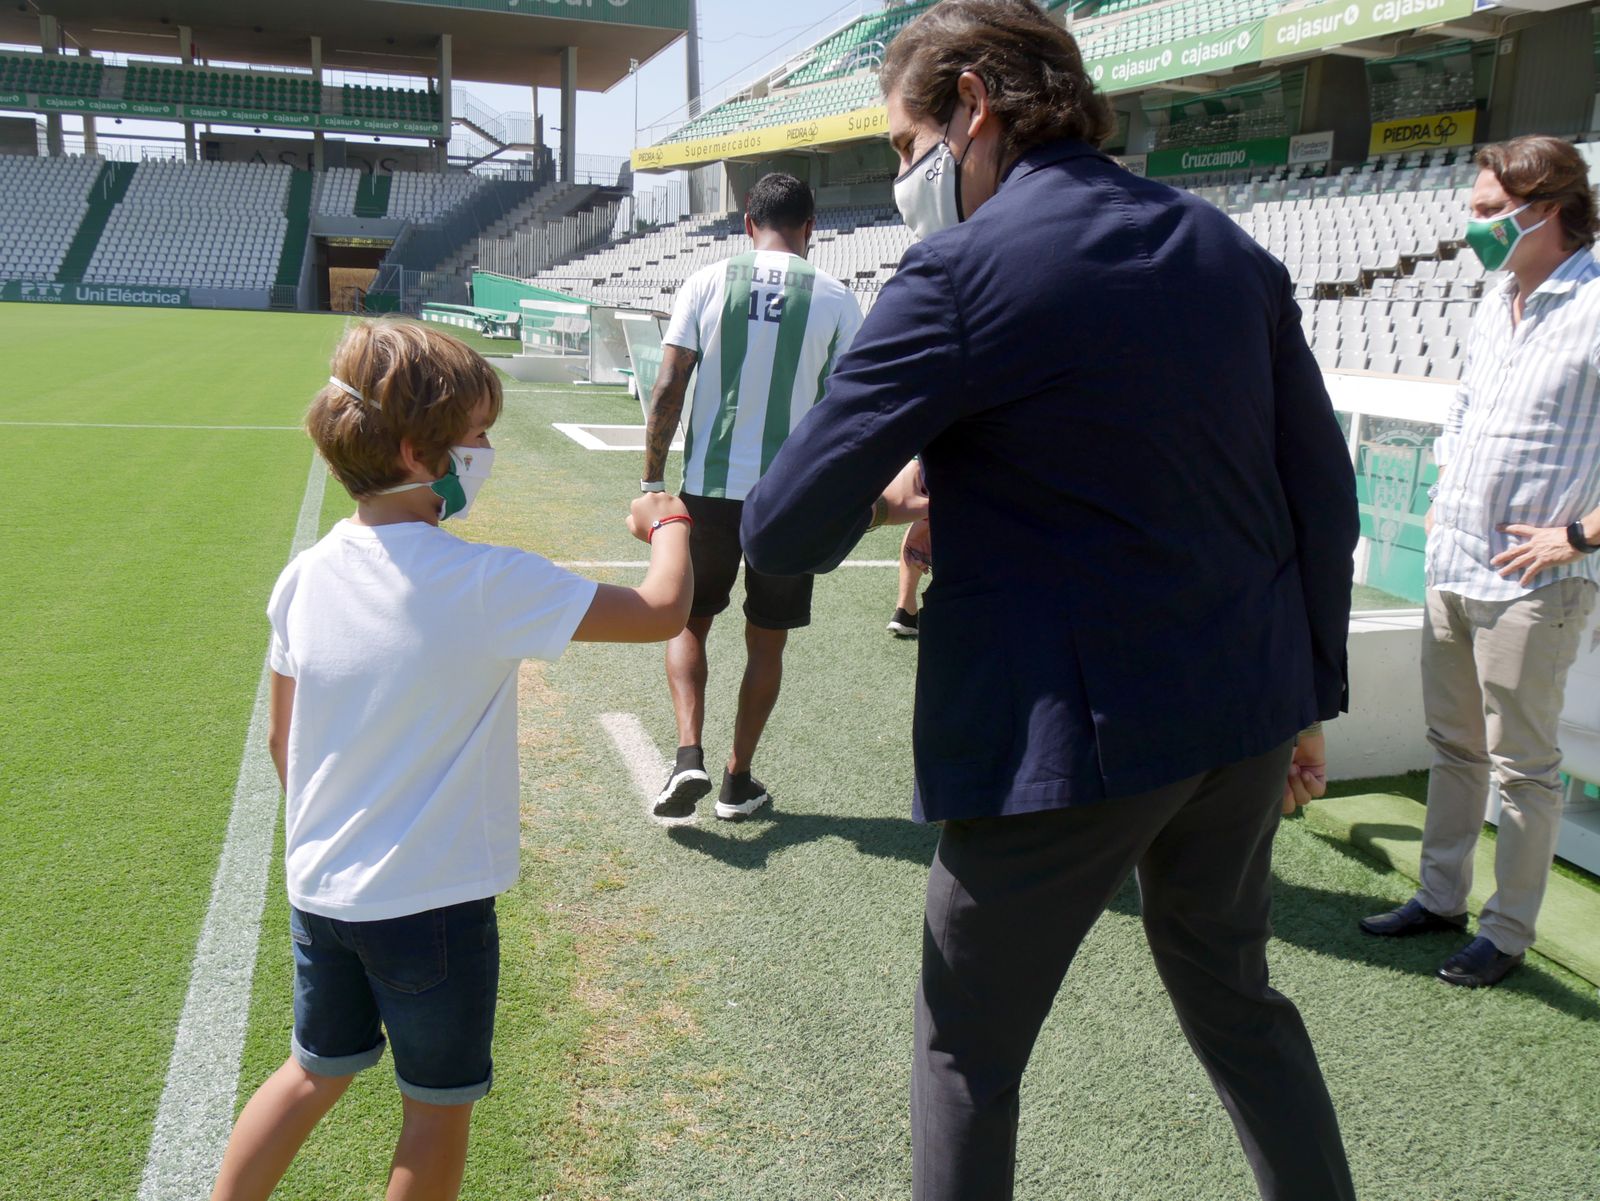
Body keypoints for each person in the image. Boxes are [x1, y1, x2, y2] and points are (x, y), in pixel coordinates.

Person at [740, 3, 1360, 1198]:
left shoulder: (961, 268)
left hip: (1064, 739)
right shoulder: (1227, 249)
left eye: (906, 145)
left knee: (965, 1046)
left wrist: (887, 498)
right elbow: (1319, 500)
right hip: (1236, 715)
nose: (907, 177)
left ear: (972, 104)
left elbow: (783, 521)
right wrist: (1305, 699)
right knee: (1238, 1004)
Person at [210, 321, 693, 1201]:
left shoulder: (305, 576)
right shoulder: (483, 583)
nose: (486, 452)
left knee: (311, 1071)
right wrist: (669, 519)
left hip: (322, 890)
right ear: (413, 450)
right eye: (476, 437)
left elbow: (287, 741)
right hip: (433, 905)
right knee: (435, 1108)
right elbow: (663, 609)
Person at [1360, 136, 1600, 989]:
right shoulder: (1494, 295)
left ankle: (1506, 931)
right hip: (1453, 562)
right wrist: (1444, 494)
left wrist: (1577, 537)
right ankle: (1440, 897)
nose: (1476, 227)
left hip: (1536, 583)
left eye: (1491, 212)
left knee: (1524, 769)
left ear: (1550, 207)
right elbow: (1464, 409)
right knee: (1452, 745)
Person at [642, 172, 864, 821]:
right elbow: (848, 409)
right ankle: (738, 782)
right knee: (767, 641)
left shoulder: (707, 281)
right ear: (810, 227)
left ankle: (689, 756)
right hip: (789, 496)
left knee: (690, 619)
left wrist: (653, 483)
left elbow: (667, 388)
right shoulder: (836, 296)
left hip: (709, 487)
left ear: (747, 222)